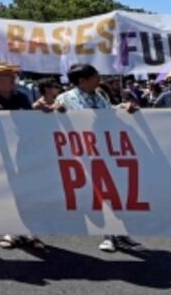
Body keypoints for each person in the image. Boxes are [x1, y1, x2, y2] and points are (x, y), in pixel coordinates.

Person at [56, 63, 145, 253]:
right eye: (95, 76)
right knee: (99, 195)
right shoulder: (64, 100)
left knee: (116, 193)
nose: (100, 79)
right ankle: (108, 235)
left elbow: (109, 112)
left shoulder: (100, 95)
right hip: (85, 154)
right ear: (82, 80)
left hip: (108, 151)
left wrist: (123, 107)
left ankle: (121, 234)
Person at [0, 61, 48, 251]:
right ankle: (10, 231)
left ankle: (30, 231)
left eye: (13, 76)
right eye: (8, 75)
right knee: (4, 193)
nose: (14, 79)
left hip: (21, 152)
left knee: (25, 192)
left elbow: (29, 122)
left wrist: (43, 114)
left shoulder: (21, 98)